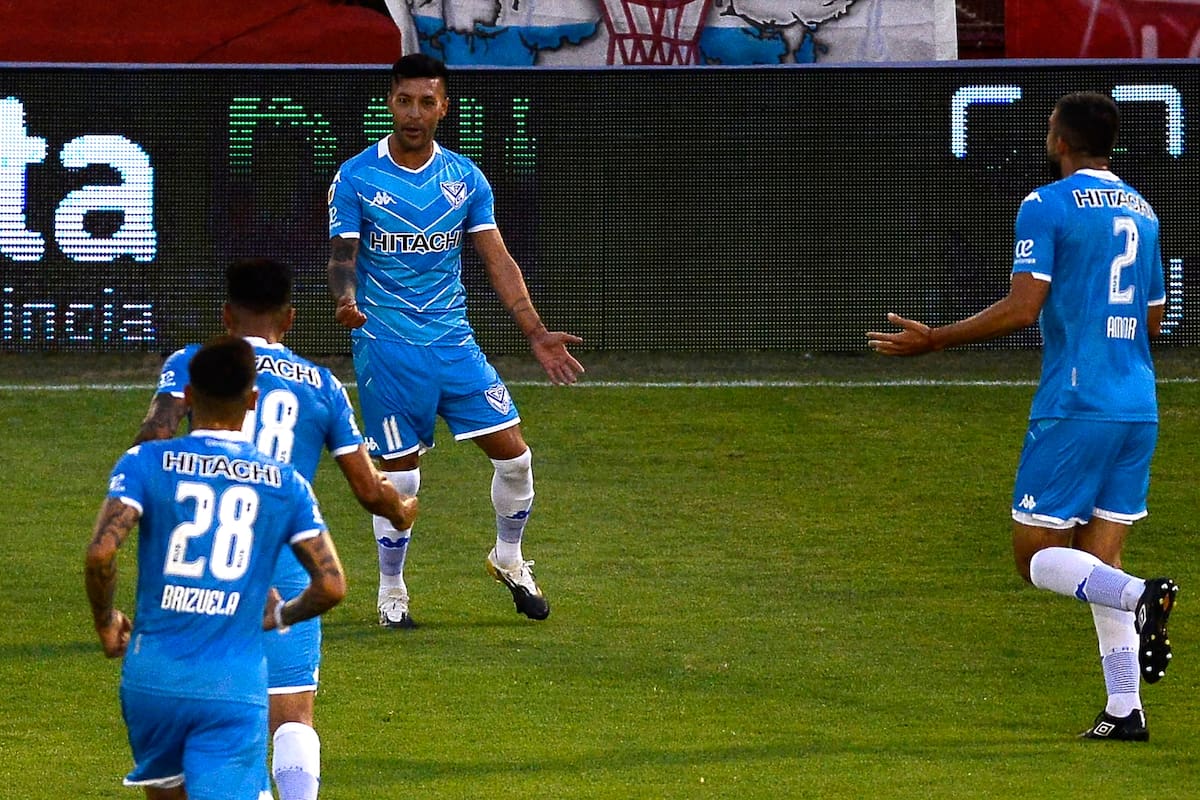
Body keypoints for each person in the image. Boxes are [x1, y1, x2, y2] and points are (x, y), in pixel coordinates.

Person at [866, 91, 1178, 741]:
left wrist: (936, 340)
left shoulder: (1045, 204)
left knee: (1035, 555)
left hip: (1076, 401)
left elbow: (1022, 308)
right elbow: (1152, 319)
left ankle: (1143, 597)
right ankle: (1125, 710)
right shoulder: (1144, 212)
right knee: (1100, 562)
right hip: (1138, 404)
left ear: (1060, 141)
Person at [134, 257, 418, 800]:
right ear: (289, 319)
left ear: (225, 315)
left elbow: (153, 436)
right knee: (292, 714)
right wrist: (400, 508)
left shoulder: (190, 364)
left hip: (202, 556)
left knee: (198, 714)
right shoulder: (321, 385)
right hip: (285, 557)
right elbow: (366, 487)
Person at [326, 53, 584, 626]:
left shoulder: (465, 179)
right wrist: (345, 300)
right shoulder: (357, 176)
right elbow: (342, 256)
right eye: (404, 100)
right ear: (389, 102)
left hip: (454, 342)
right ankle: (391, 590)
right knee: (401, 476)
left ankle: (509, 556)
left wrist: (535, 332)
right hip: (386, 345)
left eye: (426, 101)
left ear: (445, 107)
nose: (414, 112)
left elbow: (497, 259)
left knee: (516, 458)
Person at [86, 336, 348, 800]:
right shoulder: (282, 481)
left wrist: (108, 623)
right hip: (230, 685)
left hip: (152, 679)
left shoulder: (145, 462)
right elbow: (331, 584)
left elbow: (101, 553)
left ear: (187, 398)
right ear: (252, 401)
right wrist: (281, 615)